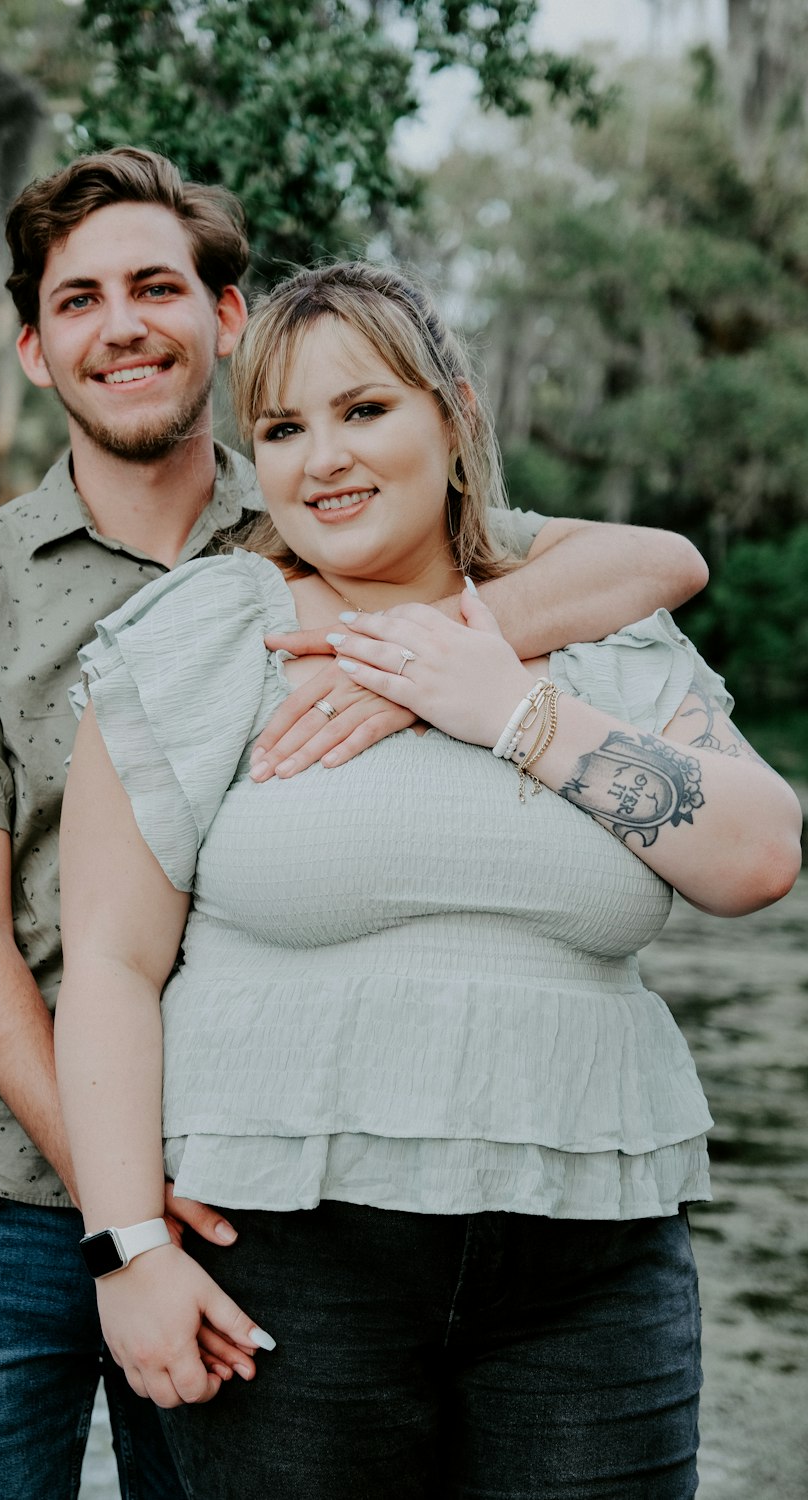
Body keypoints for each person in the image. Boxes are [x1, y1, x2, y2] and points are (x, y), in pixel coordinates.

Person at [0, 146, 708, 1500]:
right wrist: (128, 1221)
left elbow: (655, 563)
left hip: (261, 1174)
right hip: (7, 1190)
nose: (121, 324)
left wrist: (422, 660)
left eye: (155, 286)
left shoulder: (334, 513)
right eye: (77, 302)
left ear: (226, 317)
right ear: (31, 349)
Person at [55, 261, 803, 1500]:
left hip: (589, 1267)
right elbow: (113, 967)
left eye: (364, 411)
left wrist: (504, 703)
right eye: (282, 430)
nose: (322, 459)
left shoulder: (601, 635)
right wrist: (128, 1252)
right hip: (287, 1261)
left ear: (453, 418)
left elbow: (757, 855)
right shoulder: (204, 640)